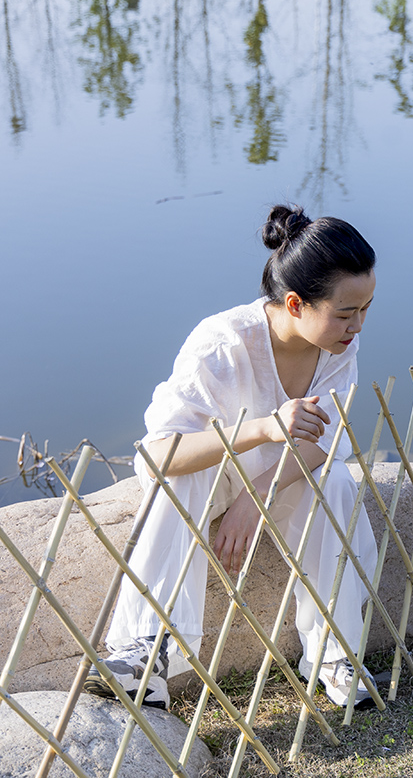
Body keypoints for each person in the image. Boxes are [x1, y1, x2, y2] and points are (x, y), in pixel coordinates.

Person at [83, 204, 378, 710]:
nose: (357, 325)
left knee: (335, 482)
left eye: (366, 308)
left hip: (276, 478)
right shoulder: (222, 342)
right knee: (179, 481)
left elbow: (321, 441)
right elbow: (159, 454)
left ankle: (333, 655)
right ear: (295, 303)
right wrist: (263, 427)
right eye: (346, 312)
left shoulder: (336, 344)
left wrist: (254, 498)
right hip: (211, 470)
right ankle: (145, 653)